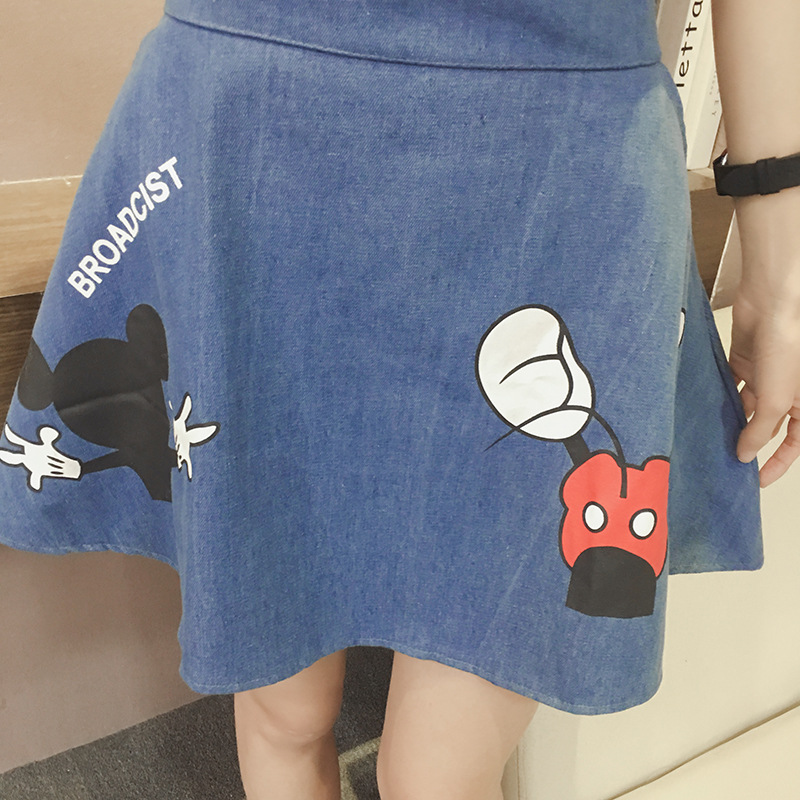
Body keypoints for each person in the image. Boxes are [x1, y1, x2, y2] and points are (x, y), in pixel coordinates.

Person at [1, 1, 798, 799]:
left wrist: (782, 269)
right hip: (254, 124)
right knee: (282, 712)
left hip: (565, 152)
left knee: (437, 776)